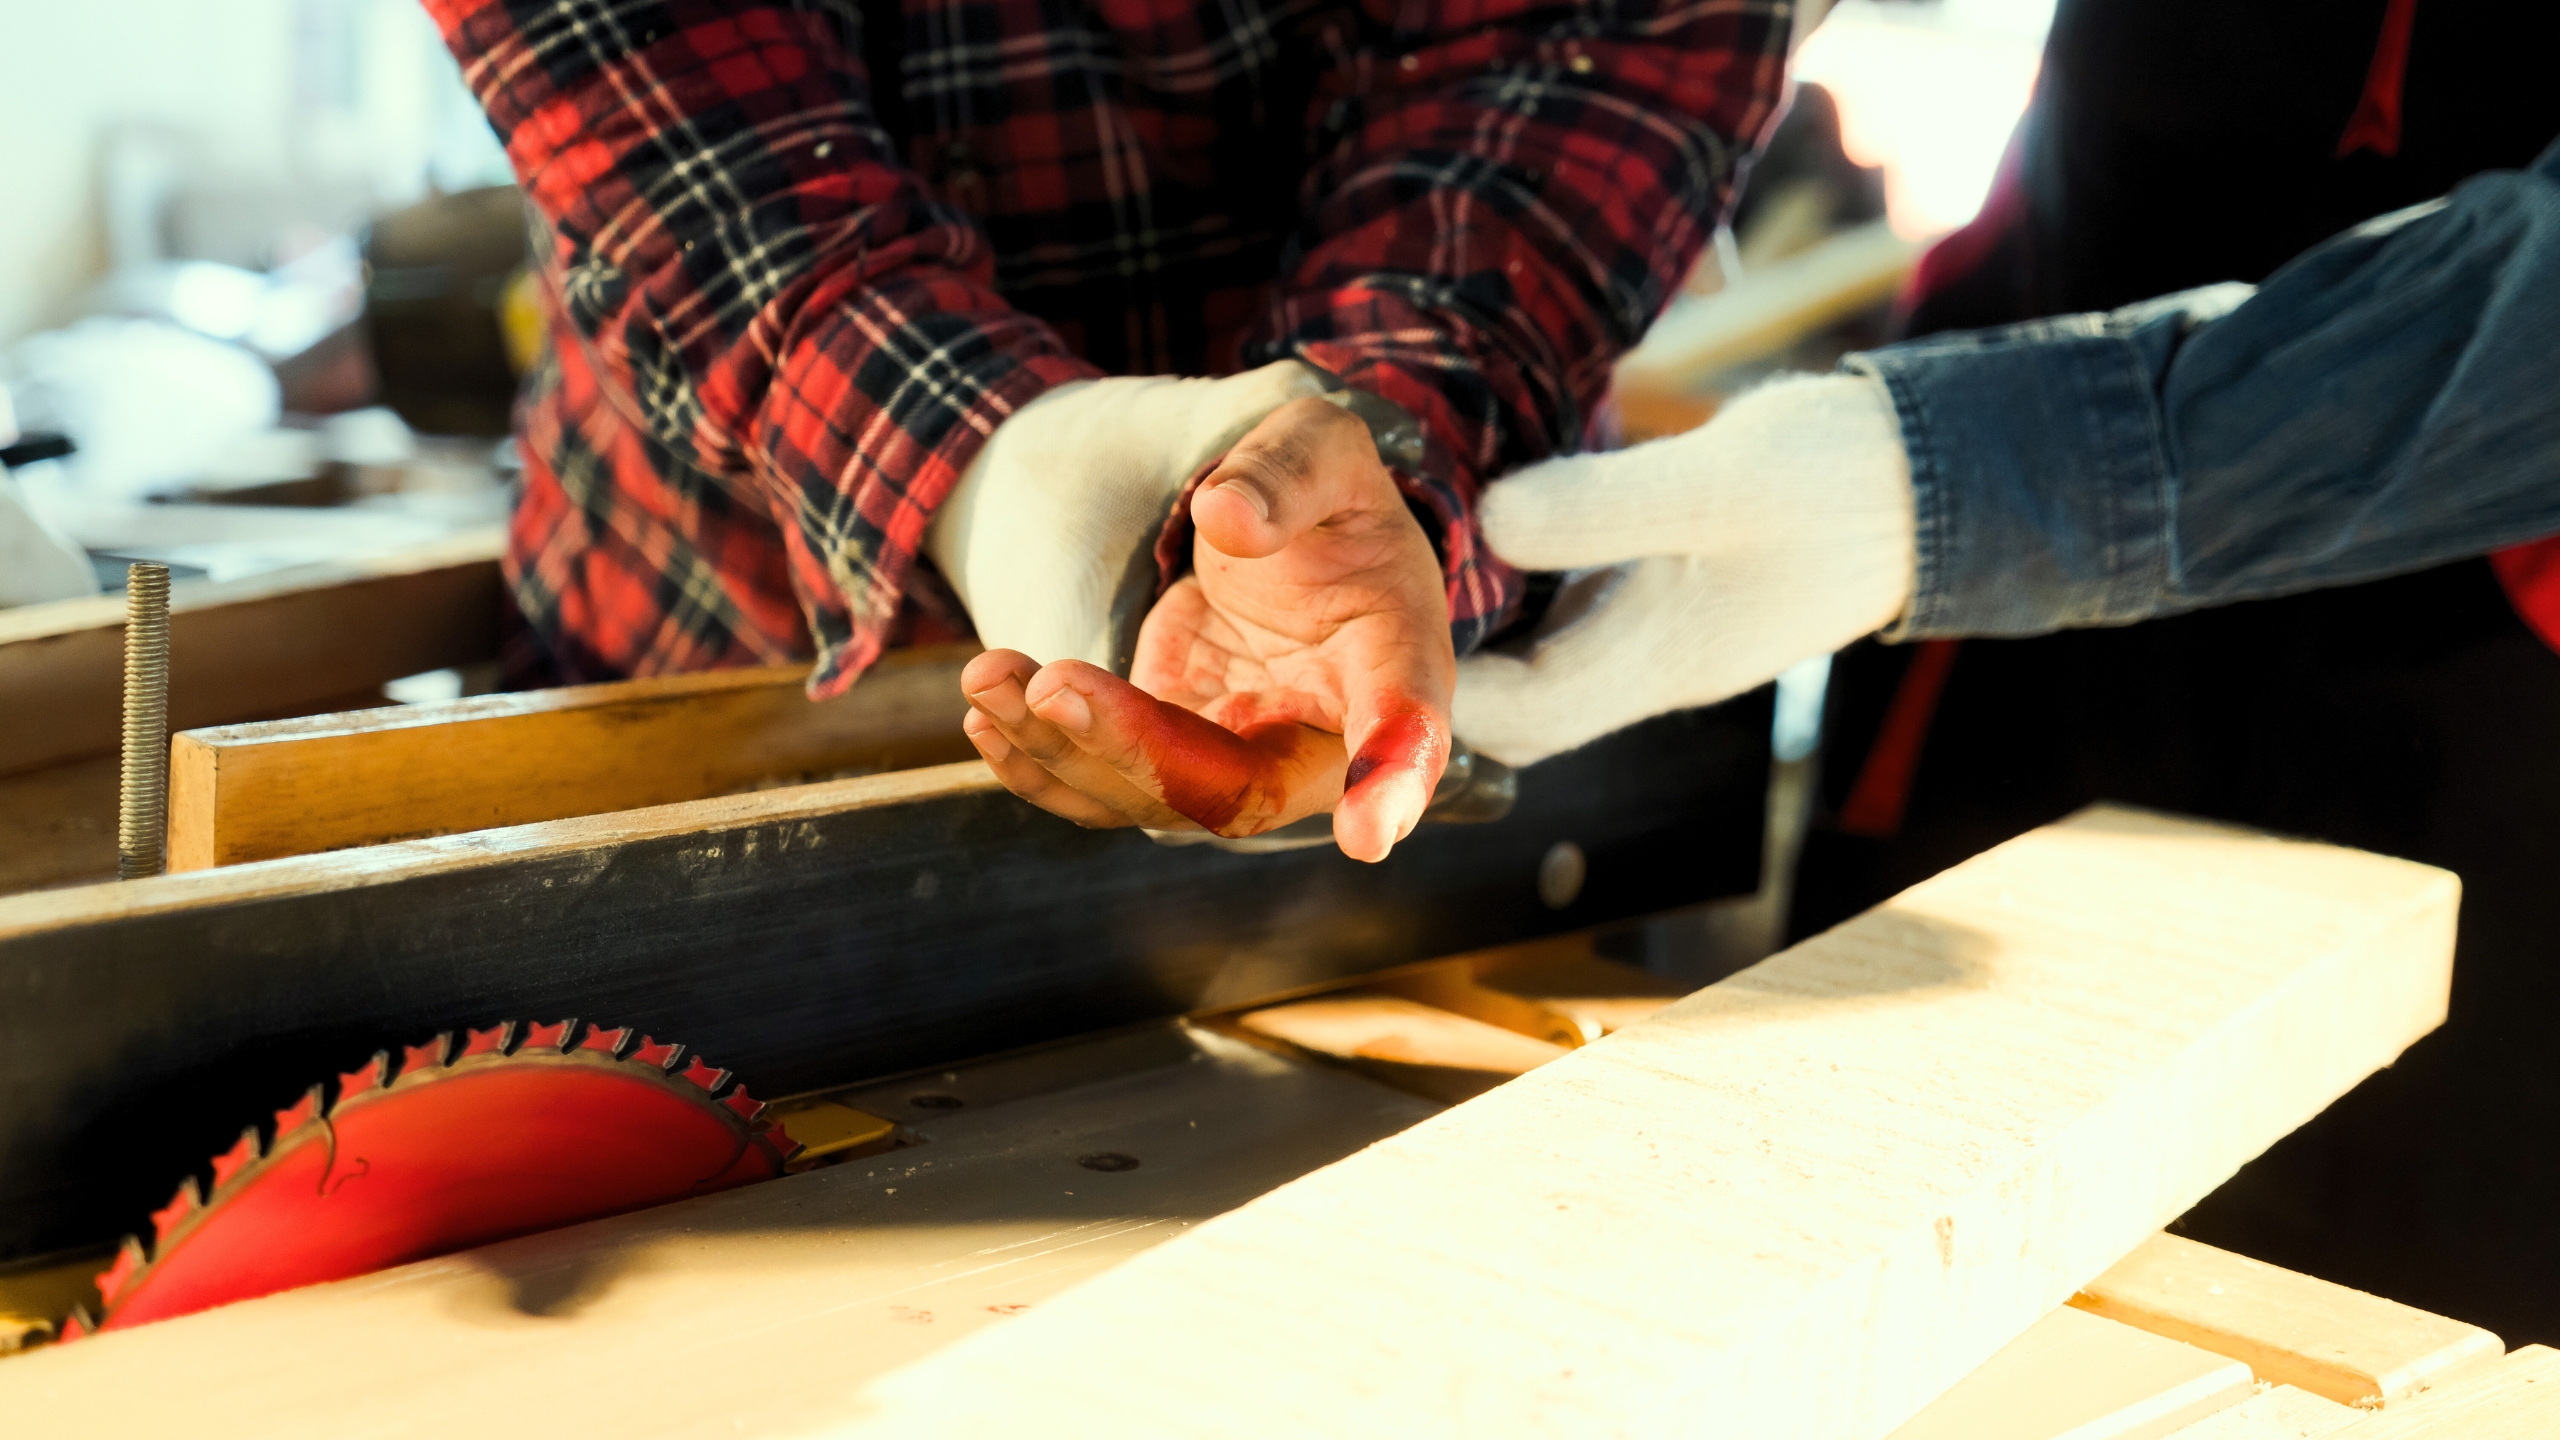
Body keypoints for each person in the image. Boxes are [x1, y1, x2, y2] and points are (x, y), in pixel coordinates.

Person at [424, 0, 1793, 860]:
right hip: (708, 664)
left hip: (1370, 658)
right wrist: (987, 461)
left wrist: (1373, 459)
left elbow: (1564, 65)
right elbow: (636, 64)